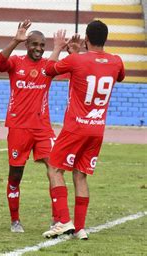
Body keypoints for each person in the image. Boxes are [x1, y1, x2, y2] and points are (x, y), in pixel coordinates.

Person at [42, 20, 125, 240]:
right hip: (97, 129)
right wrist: (80, 54)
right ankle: (79, 228)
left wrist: (59, 47)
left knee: (54, 169)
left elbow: (48, 70)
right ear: (105, 39)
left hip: (75, 127)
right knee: (80, 176)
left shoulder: (76, 60)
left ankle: (63, 221)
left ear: (86, 38)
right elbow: (117, 75)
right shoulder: (116, 61)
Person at [0, 20, 57, 233]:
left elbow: (71, 67)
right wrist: (15, 40)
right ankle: (15, 221)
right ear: (26, 44)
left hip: (43, 128)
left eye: (42, 45)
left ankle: (58, 219)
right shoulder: (16, 62)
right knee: (15, 176)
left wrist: (71, 51)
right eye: (34, 44)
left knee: (54, 168)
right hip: (19, 128)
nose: (38, 49)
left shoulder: (49, 66)